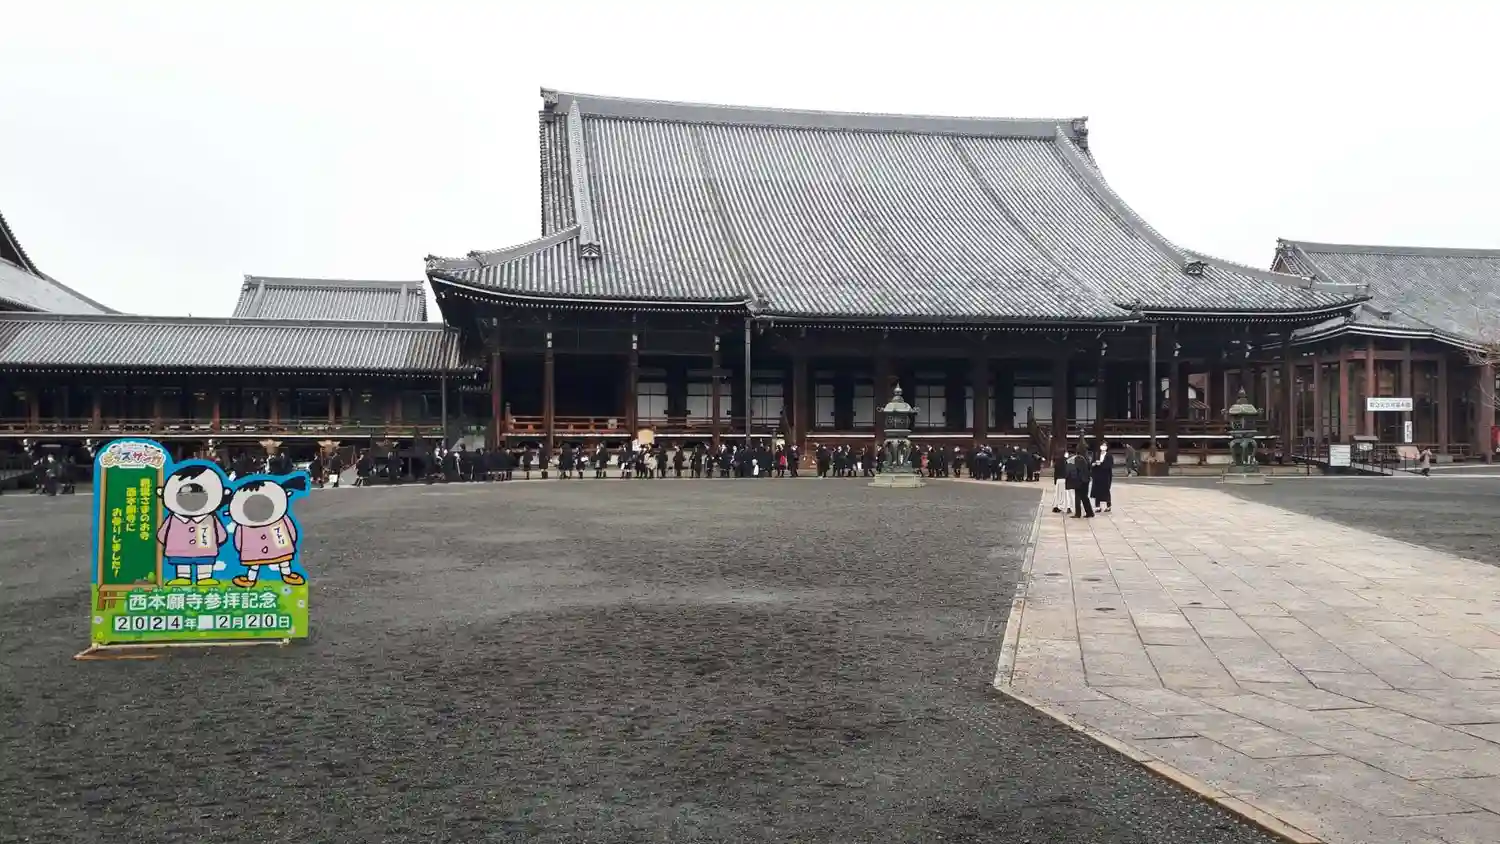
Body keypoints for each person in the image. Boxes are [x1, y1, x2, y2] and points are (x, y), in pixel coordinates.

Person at [1069, 445, 1094, 518]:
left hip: (1080, 480)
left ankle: (1078, 513)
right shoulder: (1087, 458)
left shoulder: (1078, 458)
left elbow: (1076, 469)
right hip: (1086, 480)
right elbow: (1089, 468)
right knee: (1085, 497)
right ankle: (1090, 512)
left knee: (1077, 497)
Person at [1092, 443, 1114, 513]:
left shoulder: (1109, 455)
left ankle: (1108, 506)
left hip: (1106, 476)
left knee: (1106, 490)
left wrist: (1101, 464)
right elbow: (1092, 463)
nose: (1103, 447)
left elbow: (1110, 465)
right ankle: (1097, 506)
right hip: (1097, 475)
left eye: (1105, 445)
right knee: (1097, 491)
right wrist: (1094, 464)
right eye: (1102, 445)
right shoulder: (1097, 454)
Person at [1052, 449, 1071, 513]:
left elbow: (1055, 473)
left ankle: (1057, 506)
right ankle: (1067, 507)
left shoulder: (1057, 462)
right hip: (1064, 479)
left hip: (1059, 480)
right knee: (1066, 494)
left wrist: (1055, 481)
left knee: (1058, 494)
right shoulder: (1066, 461)